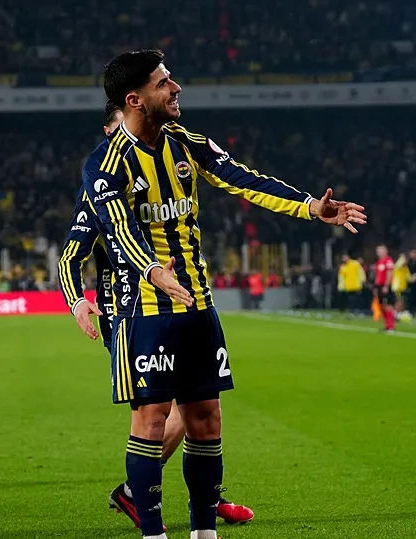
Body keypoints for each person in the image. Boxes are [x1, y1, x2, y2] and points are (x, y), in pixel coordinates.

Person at [82, 49, 366, 539]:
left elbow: (243, 180)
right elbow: (118, 228)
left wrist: (309, 207)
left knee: (206, 418)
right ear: (135, 99)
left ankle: (204, 532)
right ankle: (153, 533)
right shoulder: (105, 164)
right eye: (163, 83)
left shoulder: (186, 142)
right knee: (151, 419)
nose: (176, 88)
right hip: (144, 309)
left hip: (197, 304)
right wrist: (152, 270)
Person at [58, 102, 254, 530]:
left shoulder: (171, 159)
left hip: (184, 303)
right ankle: (156, 497)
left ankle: (191, 496)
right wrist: (77, 301)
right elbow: (70, 256)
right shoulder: (100, 189)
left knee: (199, 408)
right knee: (162, 411)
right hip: (129, 313)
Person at [374, 245, 396, 331]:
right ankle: (387, 325)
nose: (379, 252)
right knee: (382, 306)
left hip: (385, 285)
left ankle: (391, 326)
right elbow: (378, 275)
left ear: (386, 251)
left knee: (388, 305)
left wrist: (386, 285)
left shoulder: (388, 261)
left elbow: (389, 273)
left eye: (381, 251)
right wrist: (376, 287)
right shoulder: (379, 262)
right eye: (378, 251)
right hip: (379, 286)